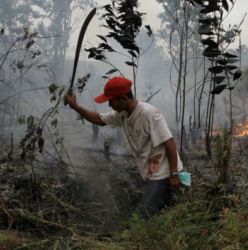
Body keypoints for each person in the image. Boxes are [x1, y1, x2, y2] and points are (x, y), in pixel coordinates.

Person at [64, 76, 183, 219]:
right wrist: (76, 106)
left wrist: (174, 174)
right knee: (162, 211)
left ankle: (134, 236)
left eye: (111, 101)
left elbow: (169, 142)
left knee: (142, 216)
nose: (109, 105)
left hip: (163, 172)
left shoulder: (149, 113)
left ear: (124, 98)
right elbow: (99, 119)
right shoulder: (123, 115)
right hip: (152, 171)